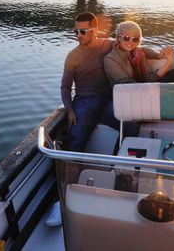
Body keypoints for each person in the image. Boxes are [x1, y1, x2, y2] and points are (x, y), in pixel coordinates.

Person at [45, 12, 139, 228]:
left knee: (131, 126)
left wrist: (158, 57)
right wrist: (69, 109)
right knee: (75, 139)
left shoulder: (109, 45)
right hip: (84, 102)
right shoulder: (73, 56)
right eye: (75, 31)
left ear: (95, 31)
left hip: (108, 101)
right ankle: (60, 200)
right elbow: (65, 86)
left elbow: (134, 47)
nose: (78, 35)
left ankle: (116, 175)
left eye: (83, 31)